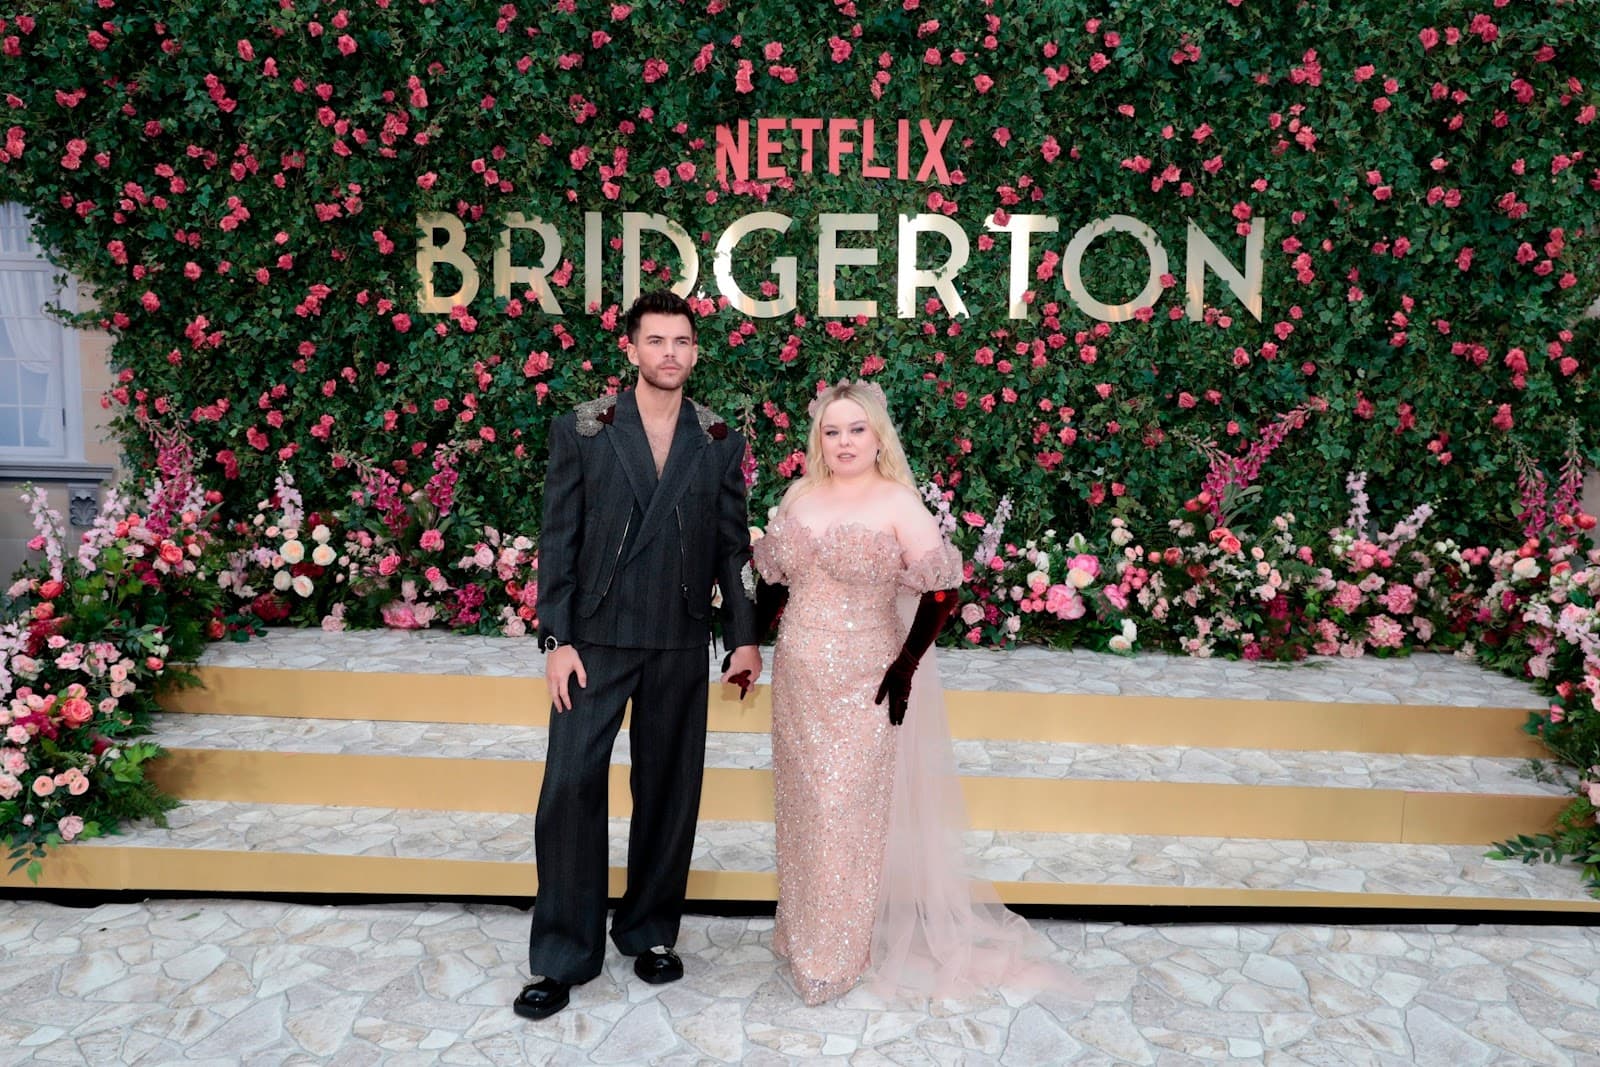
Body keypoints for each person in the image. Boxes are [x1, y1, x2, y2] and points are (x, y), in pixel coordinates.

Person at [752, 379, 1072, 1005]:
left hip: (867, 681)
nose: (844, 441)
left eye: (856, 429)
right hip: (798, 680)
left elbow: (941, 590)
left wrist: (904, 665)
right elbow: (778, 585)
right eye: (832, 430)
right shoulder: (799, 495)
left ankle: (834, 957)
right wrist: (746, 644)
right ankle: (802, 933)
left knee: (844, 813)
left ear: (877, 436)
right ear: (819, 438)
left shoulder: (899, 503)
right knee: (801, 810)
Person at [515, 290, 763, 1021]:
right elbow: (557, 540)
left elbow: (732, 546)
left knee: (669, 791)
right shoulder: (586, 429)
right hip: (593, 640)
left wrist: (743, 634)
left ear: (695, 351)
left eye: (681, 341)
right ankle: (561, 955)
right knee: (570, 789)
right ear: (630, 348)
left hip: (680, 637)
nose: (669, 354)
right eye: (655, 341)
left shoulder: (718, 436)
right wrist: (555, 641)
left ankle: (650, 930)